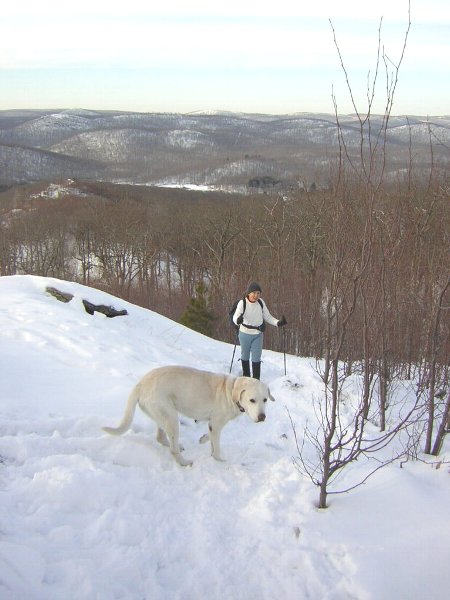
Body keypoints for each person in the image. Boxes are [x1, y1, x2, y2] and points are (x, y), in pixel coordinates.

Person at [232, 282, 286, 380]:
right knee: (245, 356)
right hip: (244, 333)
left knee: (256, 358)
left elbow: (268, 317)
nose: (256, 295)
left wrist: (278, 323)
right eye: (254, 293)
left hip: (257, 334)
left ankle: (256, 381)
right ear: (248, 293)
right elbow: (235, 317)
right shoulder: (242, 303)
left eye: (258, 293)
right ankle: (246, 378)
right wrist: (237, 320)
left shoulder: (261, 303)